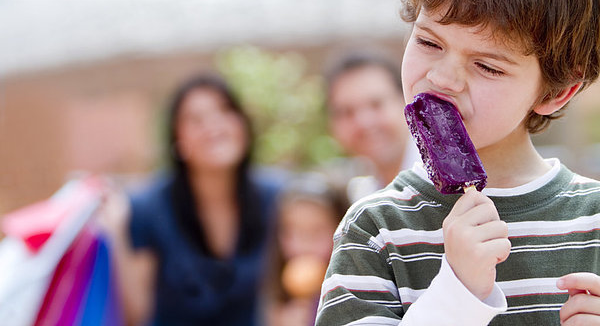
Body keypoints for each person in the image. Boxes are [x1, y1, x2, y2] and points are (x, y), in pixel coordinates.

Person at [316, 0, 600, 325]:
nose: (443, 78)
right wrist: (456, 294)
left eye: (487, 65)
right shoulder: (376, 227)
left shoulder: (593, 220)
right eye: (429, 43)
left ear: (557, 93)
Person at [104, 74, 282, 325]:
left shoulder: (278, 198)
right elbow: (137, 313)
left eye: (225, 110)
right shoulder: (147, 207)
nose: (214, 125)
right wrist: (116, 235)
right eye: (196, 119)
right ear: (178, 140)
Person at [324, 49, 419, 203]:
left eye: (376, 104)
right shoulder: (362, 196)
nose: (364, 122)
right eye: (347, 112)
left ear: (407, 100)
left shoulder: (451, 176)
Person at [262, 173, 347, 326]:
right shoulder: (276, 297)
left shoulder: (354, 294)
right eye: (292, 232)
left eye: (317, 232)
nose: (303, 245)